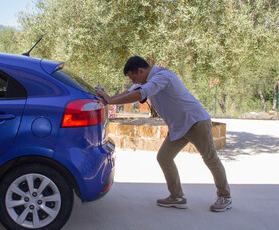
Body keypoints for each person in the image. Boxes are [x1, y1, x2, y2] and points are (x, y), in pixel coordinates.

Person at [95, 56, 232, 212]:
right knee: (164, 157)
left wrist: (111, 101)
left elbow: (140, 94)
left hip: (195, 123)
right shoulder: (146, 81)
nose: (134, 82)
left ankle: (225, 196)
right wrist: (109, 99)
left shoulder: (162, 76)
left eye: (134, 78)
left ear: (140, 70)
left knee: (210, 158)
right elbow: (130, 92)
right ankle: (177, 197)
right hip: (178, 128)